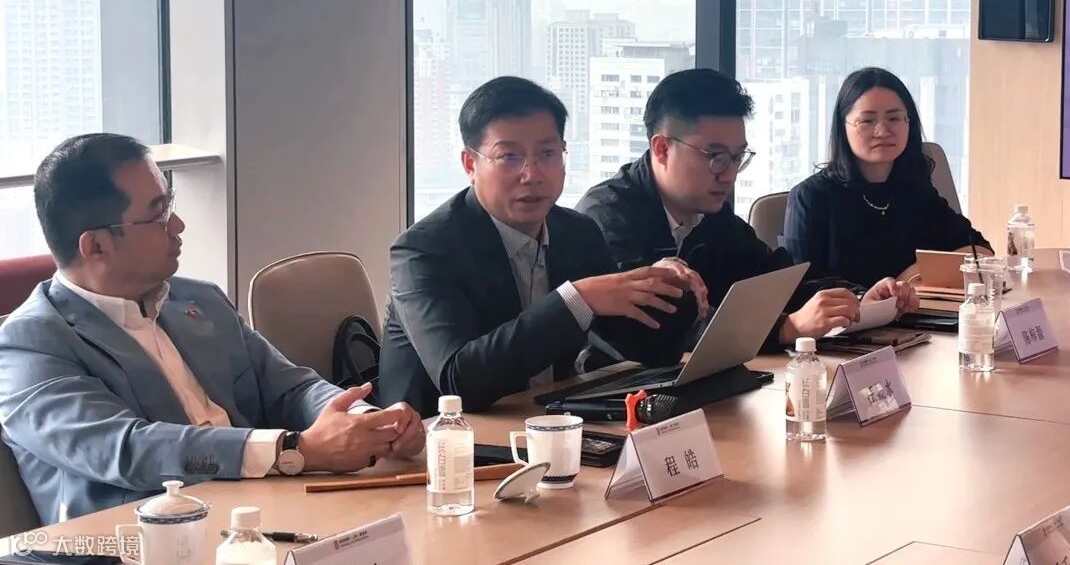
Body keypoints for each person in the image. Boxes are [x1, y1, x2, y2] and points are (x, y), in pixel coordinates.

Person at [0, 134, 425, 524]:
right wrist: (294, 450)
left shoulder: (199, 300)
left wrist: (368, 423)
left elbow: (289, 387)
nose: (178, 226)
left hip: (263, 516)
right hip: (141, 540)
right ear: (95, 245)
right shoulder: (29, 345)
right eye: (158, 214)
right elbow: (127, 448)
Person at [379, 76, 698, 417]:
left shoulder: (577, 232)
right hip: (441, 439)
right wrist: (577, 299)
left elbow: (642, 350)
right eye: (509, 156)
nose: (531, 174)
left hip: (548, 426)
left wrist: (668, 290)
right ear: (471, 164)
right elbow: (460, 381)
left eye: (548, 153)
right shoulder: (423, 250)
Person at [577, 68, 918, 351]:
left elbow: (778, 276)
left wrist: (858, 299)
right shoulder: (606, 218)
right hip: (616, 395)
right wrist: (786, 328)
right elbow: (659, 330)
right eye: (715, 156)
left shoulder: (711, 213)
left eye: (738, 156)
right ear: (662, 149)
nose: (729, 173)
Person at [784, 66, 991, 288]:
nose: (882, 131)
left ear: (909, 123)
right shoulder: (810, 197)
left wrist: (912, 274)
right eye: (867, 121)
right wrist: (879, 296)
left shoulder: (915, 189)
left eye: (894, 118)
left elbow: (980, 252)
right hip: (851, 312)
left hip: (916, 310)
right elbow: (802, 287)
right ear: (843, 127)